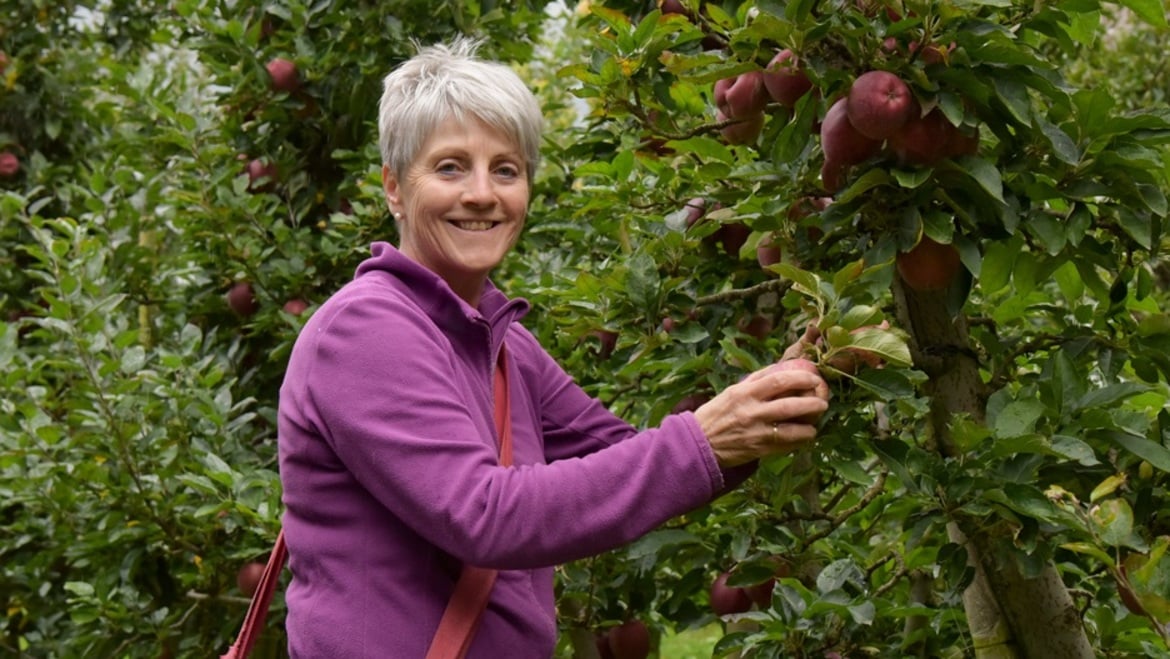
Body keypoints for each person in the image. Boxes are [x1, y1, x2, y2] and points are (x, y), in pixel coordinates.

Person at [276, 37, 830, 658]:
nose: (482, 193)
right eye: (450, 167)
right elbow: (483, 516)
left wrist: (768, 406)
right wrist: (705, 437)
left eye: (506, 169)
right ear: (395, 189)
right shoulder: (364, 331)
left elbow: (624, 457)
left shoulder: (502, 341)